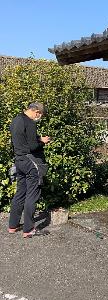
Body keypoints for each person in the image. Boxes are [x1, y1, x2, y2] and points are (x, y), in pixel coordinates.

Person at [8, 102, 51, 238]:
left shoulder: (16, 120)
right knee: (32, 194)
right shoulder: (31, 123)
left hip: (19, 161)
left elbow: (22, 139)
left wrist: (37, 138)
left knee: (20, 192)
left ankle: (12, 226)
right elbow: (32, 147)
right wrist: (42, 141)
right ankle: (28, 229)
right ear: (37, 112)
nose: (39, 118)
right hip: (30, 162)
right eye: (40, 115)